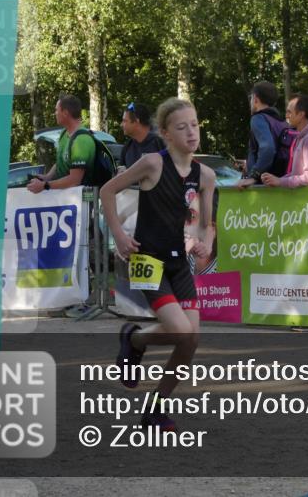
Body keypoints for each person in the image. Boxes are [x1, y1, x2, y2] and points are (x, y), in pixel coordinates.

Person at [100, 98, 216, 430]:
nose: (191, 132)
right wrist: (119, 236)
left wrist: (205, 243)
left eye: (194, 124)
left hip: (179, 263)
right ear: (165, 133)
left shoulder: (205, 175)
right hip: (147, 260)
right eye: (181, 127)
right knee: (181, 330)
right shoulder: (152, 163)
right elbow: (108, 192)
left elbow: (206, 224)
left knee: (190, 339)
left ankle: (155, 407)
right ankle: (134, 339)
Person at [26, 94, 95, 194]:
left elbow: (74, 180)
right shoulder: (64, 133)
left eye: (56, 110)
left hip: (83, 198)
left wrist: (45, 185)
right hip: (65, 197)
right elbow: (60, 161)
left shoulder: (81, 140)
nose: (55, 113)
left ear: (65, 113)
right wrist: (47, 177)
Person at [260, 93, 308, 188]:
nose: (286, 116)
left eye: (289, 112)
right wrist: (277, 180)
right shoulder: (304, 137)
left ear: (301, 114)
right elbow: (297, 174)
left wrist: (280, 182)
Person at [237, 81, 290, 189]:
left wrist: (253, 176)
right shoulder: (282, 122)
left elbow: (268, 148)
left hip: (264, 185)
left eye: (251, 98)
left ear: (256, 99)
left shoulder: (258, 119)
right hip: (281, 182)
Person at [120, 101, 165, 169]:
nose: (121, 125)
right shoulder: (127, 147)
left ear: (136, 121)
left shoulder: (161, 143)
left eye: (125, 121)